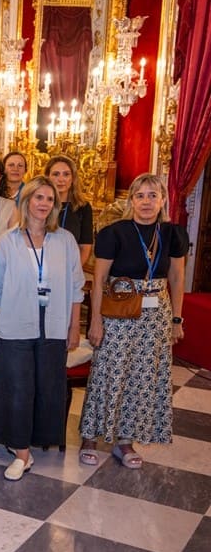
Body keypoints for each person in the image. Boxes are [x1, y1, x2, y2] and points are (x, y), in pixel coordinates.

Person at [0, 177, 85, 480]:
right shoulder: (4, 243)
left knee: (46, 386)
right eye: (37, 197)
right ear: (25, 202)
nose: (43, 204)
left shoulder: (64, 240)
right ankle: (21, 451)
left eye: (49, 199)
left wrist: (74, 326)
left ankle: (33, 440)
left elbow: (77, 288)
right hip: (13, 324)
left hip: (53, 325)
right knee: (16, 388)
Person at [79, 173, 188, 468]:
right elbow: (99, 278)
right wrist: (96, 321)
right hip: (119, 310)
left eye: (153, 195)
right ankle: (89, 436)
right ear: (131, 201)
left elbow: (177, 277)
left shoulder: (173, 234)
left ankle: (125, 441)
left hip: (156, 315)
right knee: (108, 373)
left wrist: (177, 318)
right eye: (140, 195)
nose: (146, 202)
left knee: (142, 378)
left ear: (163, 200)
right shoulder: (113, 233)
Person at [45, 155, 94, 265]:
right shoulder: (40, 204)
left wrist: (74, 272)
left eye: (66, 174)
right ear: (47, 177)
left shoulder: (83, 207)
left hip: (69, 266)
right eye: (56, 174)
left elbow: (85, 246)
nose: (61, 179)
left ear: (73, 178)